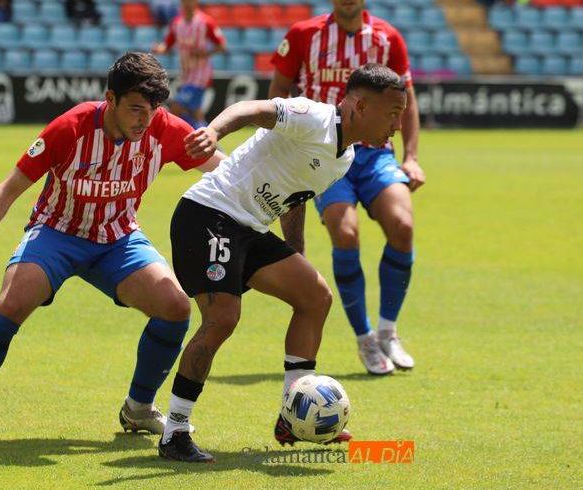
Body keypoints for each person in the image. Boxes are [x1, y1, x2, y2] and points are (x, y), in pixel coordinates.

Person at [0, 53, 225, 449]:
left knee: (176, 307)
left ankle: (138, 409)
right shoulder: (71, 127)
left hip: (118, 239)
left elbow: (223, 168)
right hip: (57, 234)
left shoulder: (162, 127)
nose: (143, 120)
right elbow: (9, 188)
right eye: (134, 109)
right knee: (11, 304)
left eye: (151, 110)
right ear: (109, 98)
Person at [157, 64, 408, 462]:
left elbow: (294, 200)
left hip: (249, 227)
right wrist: (214, 132)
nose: (398, 124)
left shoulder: (343, 159)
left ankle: (293, 417)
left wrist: (296, 256)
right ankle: (175, 431)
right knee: (223, 317)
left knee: (315, 296)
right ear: (360, 105)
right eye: (393, 113)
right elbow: (251, 108)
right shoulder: (315, 118)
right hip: (209, 213)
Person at [268, 0, 425, 376]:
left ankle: (389, 330)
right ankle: (365, 338)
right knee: (345, 231)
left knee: (403, 227)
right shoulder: (304, 35)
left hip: (376, 154)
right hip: (328, 155)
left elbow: (408, 100)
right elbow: (278, 92)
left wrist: (412, 156)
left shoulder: (388, 37)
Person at [152, 0, 226, 129]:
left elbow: (221, 46)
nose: (188, 3)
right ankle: (210, 142)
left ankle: (173, 140)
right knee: (196, 114)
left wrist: (205, 53)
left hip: (201, 75)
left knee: (176, 108)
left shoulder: (205, 22)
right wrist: (159, 49)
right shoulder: (177, 23)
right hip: (186, 75)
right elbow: (168, 45)